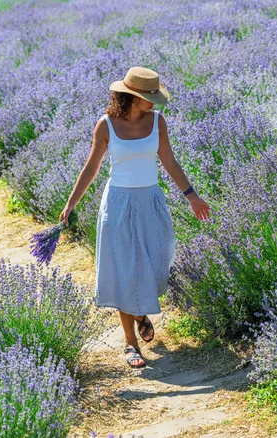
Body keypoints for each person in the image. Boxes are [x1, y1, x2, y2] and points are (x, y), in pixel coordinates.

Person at [59, 66, 210, 368]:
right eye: (148, 96)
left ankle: (141, 310)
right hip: (118, 204)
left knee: (157, 262)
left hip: (151, 201)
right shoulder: (106, 125)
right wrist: (71, 204)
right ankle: (130, 344)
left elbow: (169, 161)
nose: (154, 102)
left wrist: (191, 195)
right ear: (131, 96)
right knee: (124, 269)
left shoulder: (157, 122)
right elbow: (91, 169)